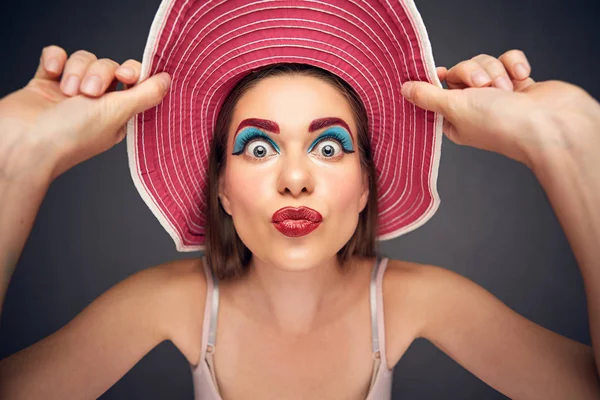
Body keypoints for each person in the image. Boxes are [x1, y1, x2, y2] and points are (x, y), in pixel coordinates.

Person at [1, 1, 599, 399]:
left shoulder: (418, 300)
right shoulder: (168, 303)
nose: (294, 179)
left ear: (367, 184)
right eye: (258, 149)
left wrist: (568, 138)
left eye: (330, 147)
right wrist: (17, 156)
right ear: (221, 190)